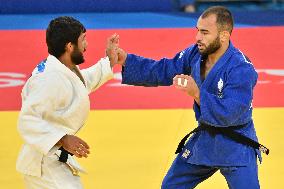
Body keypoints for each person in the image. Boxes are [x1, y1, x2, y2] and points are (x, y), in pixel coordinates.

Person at [116, 6, 269, 189]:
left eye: (205, 33)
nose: (198, 38)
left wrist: (196, 93)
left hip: (235, 144)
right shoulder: (195, 53)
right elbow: (164, 69)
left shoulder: (241, 68)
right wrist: (126, 59)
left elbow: (230, 113)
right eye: (197, 31)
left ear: (224, 35)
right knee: (171, 186)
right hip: (205, 139)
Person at [16, 16, 119, 189]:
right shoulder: (49, 79)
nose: (86, 46)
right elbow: (27, 120)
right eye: (83, 40)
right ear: (69, 46)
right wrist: (62, 139)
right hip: (43, 166)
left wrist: (108, 62)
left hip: (50, 159)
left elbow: (80, 83)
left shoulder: (61, 68)